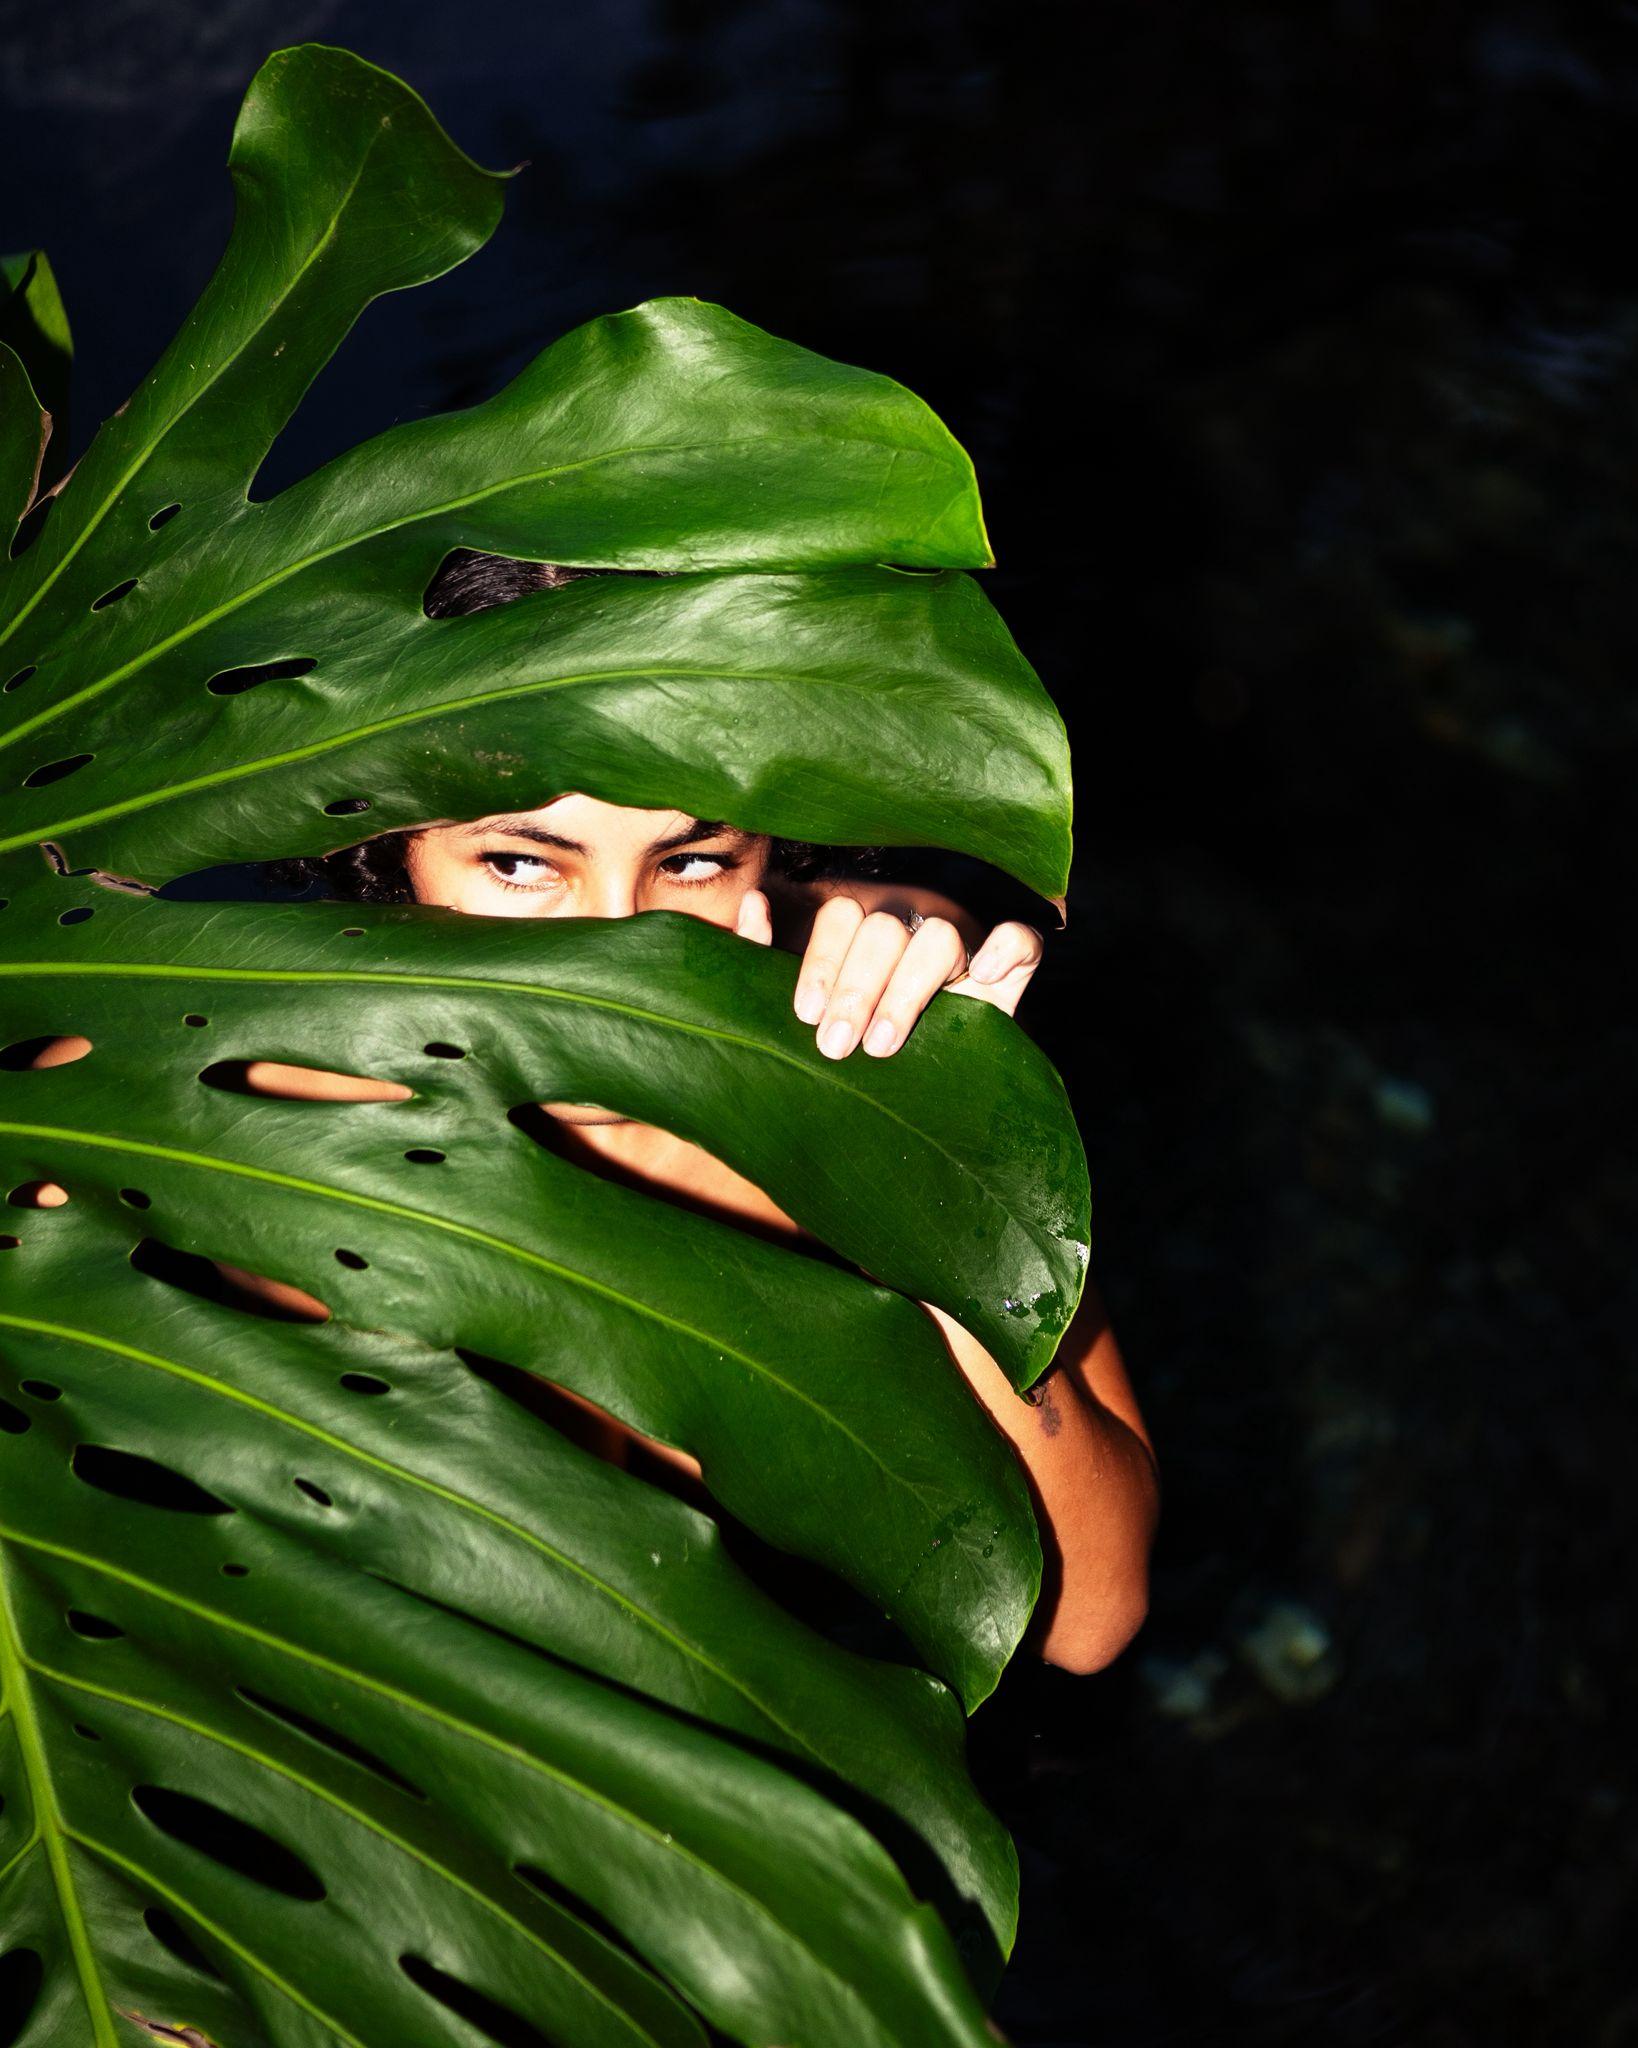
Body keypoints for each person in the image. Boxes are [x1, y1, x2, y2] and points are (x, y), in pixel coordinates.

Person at [24, 551, 1159, 1676]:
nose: (615, 947)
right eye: (522, 863)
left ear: (768, 860)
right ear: (390, 843)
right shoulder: (194, 1092)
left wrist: (933, 1198)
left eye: (694, 860)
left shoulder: (854, 1070)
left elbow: (1089, 1612)